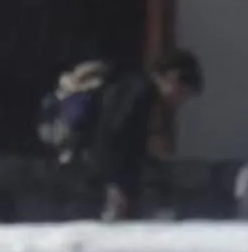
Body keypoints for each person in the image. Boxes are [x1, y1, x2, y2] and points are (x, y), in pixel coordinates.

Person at [86, 47, 205, 221]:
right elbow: (114, 137)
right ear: (173, 77)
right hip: (106, 177)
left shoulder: (139, 91)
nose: (178, 102)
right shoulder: (139, 93)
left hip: (114, 176)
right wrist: (115, 184)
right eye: (182, 94)